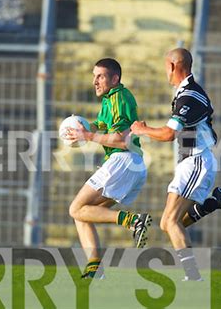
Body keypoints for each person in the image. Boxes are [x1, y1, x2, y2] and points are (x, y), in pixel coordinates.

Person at [130, 48, 221, 281]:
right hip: (194, 162)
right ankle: (212, 202)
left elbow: (168, 134)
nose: (165, 71)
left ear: (173, 66)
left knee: (171, 222)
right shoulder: (185, 92)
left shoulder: (190, 96)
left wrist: (141, 129)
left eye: (166, 66)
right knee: (167, 223)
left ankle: (193, 275)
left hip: (197, 162)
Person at [65, 58, 151, 279]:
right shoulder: (109, 100)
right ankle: (95, 268)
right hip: (132, 165)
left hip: (123, 159)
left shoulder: (119, 98)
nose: (95, 81)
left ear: (115, 79)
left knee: (75, 208)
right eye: (94, 76)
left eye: (100, 76)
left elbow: (122, 140)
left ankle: (132, 221)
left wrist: (87, 135)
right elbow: (101, 127)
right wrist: (80, 129)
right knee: (83, 214)